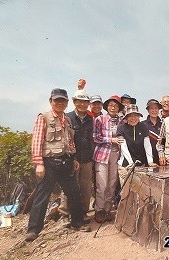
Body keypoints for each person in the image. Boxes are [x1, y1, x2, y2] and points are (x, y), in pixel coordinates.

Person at [26, 88, 91, 242]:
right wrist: (39, 163)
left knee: (74, 193)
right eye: (57, 100)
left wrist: (73, 158)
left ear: (67, 103)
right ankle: (33, 230)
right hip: (48, 163)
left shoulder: (67, 120)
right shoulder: (44, 117)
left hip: (66, 161)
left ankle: (77, 223)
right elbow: (37, 140)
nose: (60, 103)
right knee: (42, 196)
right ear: (51, 102)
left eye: (63, 101)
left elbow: (69, 141)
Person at [59, 89, 94, 226]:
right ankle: (65, 214)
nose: (82, 105)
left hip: (87, 158)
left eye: (85, 102)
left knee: (86, 188)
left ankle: (83, 212)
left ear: (88, 103)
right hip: (72, 158)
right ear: (74, 102)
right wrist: (71, 157)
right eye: (79, 102)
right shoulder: (67, 117)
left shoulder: (90, 119)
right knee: (69, 187)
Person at [93, 95, 124, 223]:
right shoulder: (100, 119)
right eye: (111, 105)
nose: (113, 107)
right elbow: (95, 137)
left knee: (112, 183)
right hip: (102, 154)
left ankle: (107, 210)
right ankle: (99, 210)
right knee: (102, 184)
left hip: (116, 154)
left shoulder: (122, 121)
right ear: (107, 107)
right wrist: (111, 140)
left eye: (116, 106)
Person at [117, 105, 157, 183]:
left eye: (135, 115)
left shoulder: (143, 126)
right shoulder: (121, 128)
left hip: (141, 166)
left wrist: (150, 161)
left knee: (139, 192)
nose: (133, 118)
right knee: (125, 192)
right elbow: (123, 147)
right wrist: (131, 163)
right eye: (130, 116)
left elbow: (147, 145)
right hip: (126, 166)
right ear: (126, 117)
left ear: (139, 116)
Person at [142, 99, 162, 165]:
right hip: (146, 159)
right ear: (148, 110)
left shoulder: (163, 124)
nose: (154, 110)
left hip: (161, 158)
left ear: (159, 109)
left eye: (156, 108)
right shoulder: (142, 124)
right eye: (151, 108)